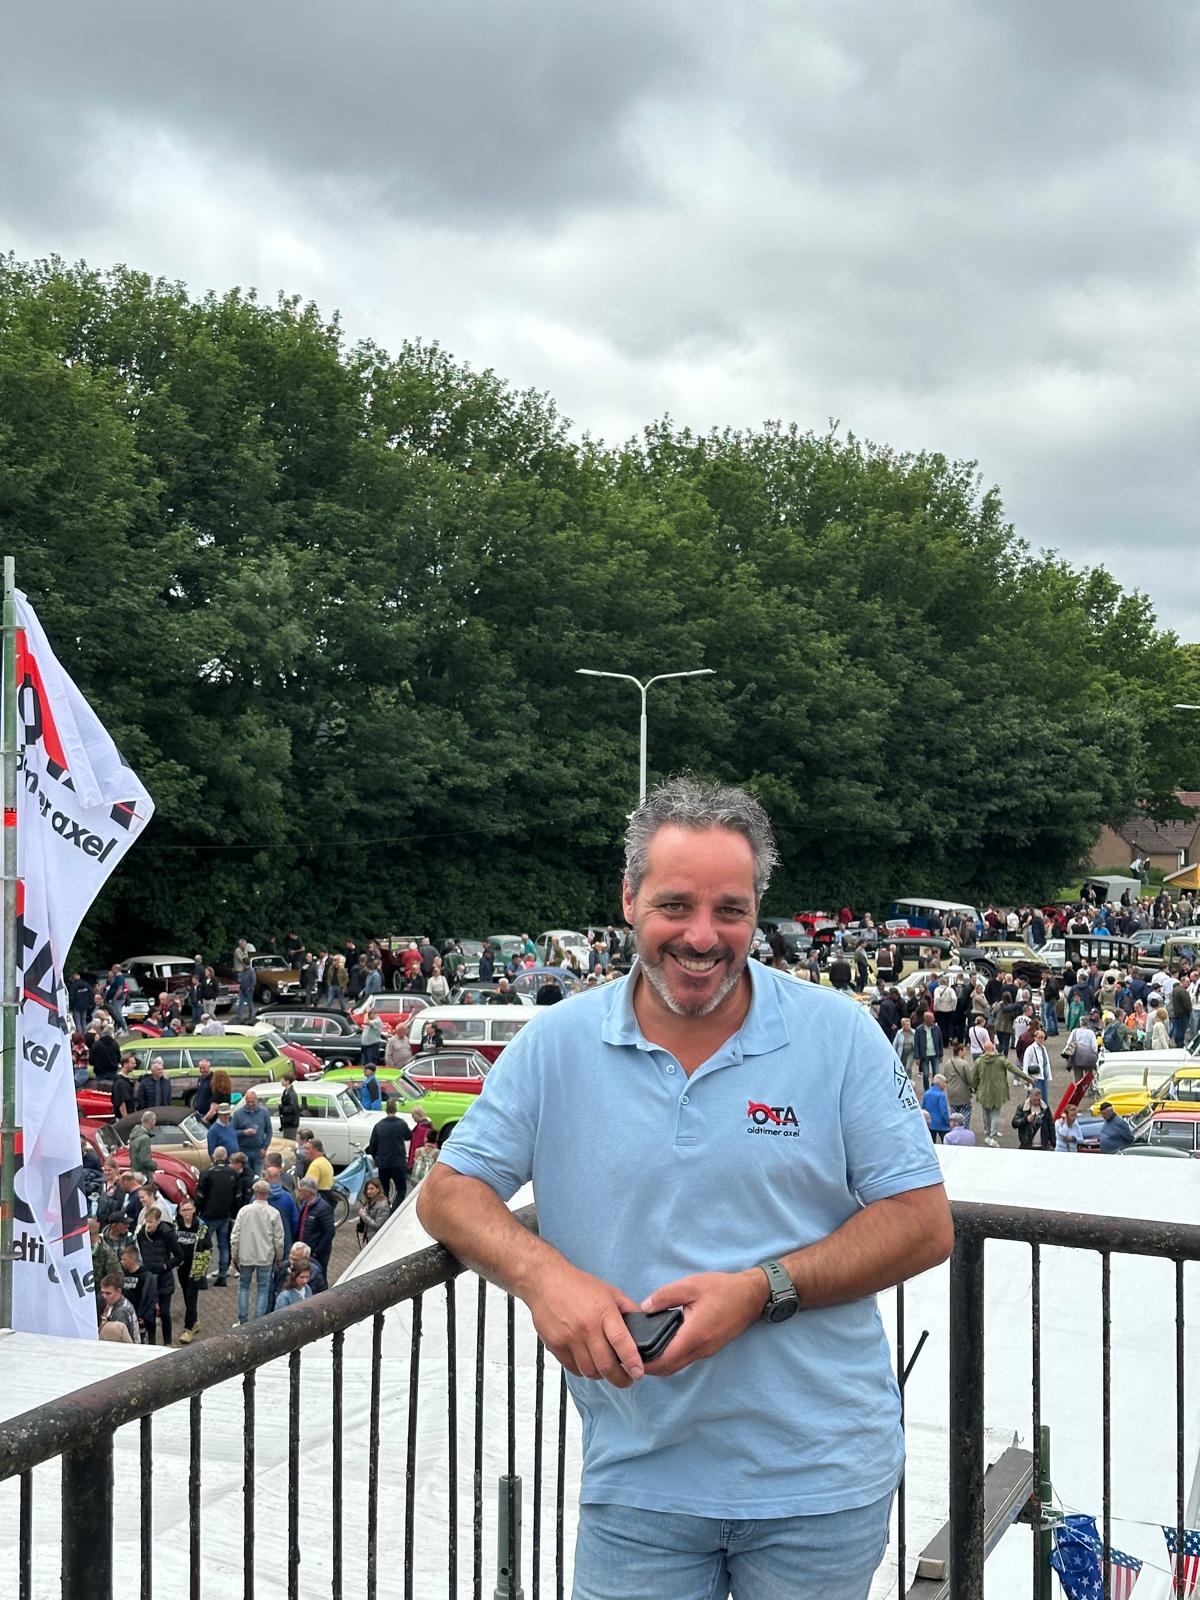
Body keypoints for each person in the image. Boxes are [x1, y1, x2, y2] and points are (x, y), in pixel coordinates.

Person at [418, 778, 952, 1600]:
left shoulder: (840, 1035)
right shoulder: (556, 1044)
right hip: (637, 1479)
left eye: (730, 911)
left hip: (821, 1483)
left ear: (757, 912)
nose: (702, 937)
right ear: (629, 900)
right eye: (675, 906)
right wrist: (544, 1278)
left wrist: (761, 1291)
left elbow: (923, 1223)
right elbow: (448, 1193)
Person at [230, 1179, 284, 1324]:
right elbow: (279, 1239)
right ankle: (257, 1322)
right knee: (263, 1289)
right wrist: (279, 1257)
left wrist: (234, 1255)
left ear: (254, 1192)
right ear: (268, 1193)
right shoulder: (274, 1213)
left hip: (246, 1255)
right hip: (265, 1257)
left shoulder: (244, 1211)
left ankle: (243, 1320)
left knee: (243, 1287)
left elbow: (235, 1236)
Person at [136, 1205, 183, 1345]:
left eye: (151, 1222)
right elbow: (140, 1252)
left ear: (158, 1221)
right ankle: (152, 1343)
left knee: (164, 1312)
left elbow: (180, 1255)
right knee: (150, 1314)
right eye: (146, 1221)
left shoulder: (167, 1233)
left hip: (164, 1279)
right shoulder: (141, 1235)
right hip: (149, 1280)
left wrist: (166, 1266)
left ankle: (167, 1342)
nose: (148, 1225)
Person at [196, 1147, 240, 1285]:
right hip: (225, 1215)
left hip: (208, 1215)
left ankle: (202, 1278)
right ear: (226, 1157)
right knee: (224, 1245)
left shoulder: (206, 1173)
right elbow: (236, 1195)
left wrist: (197, 1211)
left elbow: (200, 1195)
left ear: (213, 1157)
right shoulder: (233, 1173)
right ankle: (222, 1277)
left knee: (204, 1246)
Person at [173, 1195, 211, 1344]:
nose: (187, 1212)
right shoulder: (176, 1225)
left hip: (195, 1268)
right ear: (180, 1212)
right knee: (186, 1295)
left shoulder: (201, 1227)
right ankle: (194, 1321)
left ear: (194, 1209)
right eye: (184, 1210)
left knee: (191, 1296)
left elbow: (208, 1247)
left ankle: (188, 1329)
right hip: (181, 1267)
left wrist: (202, 1266)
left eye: (189, 1209)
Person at [975, 1046, 1030, 1147]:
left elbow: (974, 1077)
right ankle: (993, 1137)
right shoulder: (1001, 1060)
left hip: (983, 1091)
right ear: (993, 1049)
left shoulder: (979, 1061)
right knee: (996, 1114)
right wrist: (1027, 1078)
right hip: (998, 1092)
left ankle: (988, 1134)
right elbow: (1014, 1069)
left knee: (986, 1113)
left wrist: (975, 1088)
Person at [366, 1100, 412, 1208]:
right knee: (401, 1190)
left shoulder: (379, 1126)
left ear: (386, 1110)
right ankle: (393, 1210)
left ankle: (385, 1210)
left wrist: (376, 1158)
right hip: (398, 1162)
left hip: (384, 1163)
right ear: (395, 1109)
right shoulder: (401, 1124)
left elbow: (372, 1146)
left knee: (384, 1190)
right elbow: (409, 1136)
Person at [294, 1178, 335, 1276]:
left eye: (300, 1190)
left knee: (317, 1277)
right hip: (305, 1251)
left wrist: (316, 1252)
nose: (298, 1192)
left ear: (308, 1192)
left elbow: (329, 1232)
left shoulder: (323, 1208)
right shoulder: (305, 1205)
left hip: (316, 1255)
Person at [232, 1088, 272, 1178]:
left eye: (252, 1101)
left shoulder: (264, 1112)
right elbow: (232, 1132)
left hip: (258, 1151)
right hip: (243, 1151)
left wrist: (264, 1148)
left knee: (259, 1176)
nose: (250, 1104)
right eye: (248, 1102)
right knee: (246, 1176)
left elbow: (269, 1131)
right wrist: (244, 1132)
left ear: (256, 1100)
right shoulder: (238, 1114)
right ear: (245, 1100)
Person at [99, 1273, 142, 1344]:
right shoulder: (119, 1302)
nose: (104, 1296)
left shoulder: (120, 1312)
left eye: (108, 1293)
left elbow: (117, 1340)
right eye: (102, 1293)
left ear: (119, 1291)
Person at [943, 1045, 977, 1131]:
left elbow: (945, 1077)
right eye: (964, 1051)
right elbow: (970, 1079)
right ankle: (963, 1131)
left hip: (952, 1093)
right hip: (963, 1093)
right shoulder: (964, 1064)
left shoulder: (947, 1063)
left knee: (954, 1115)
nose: (965, 1053)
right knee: (965, 1114)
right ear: (960, 1051)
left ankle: (954, 1131)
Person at [913, 1011, 944, 1092]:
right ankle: (927, 1090)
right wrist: (917, 1057)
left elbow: (940, 1041)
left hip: (935, 1054)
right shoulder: (919, 1030)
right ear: (926, 1019)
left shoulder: (937, 1028)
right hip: (924, 1055)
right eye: (931, 1018)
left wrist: (941, 1054)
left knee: (936, 1073)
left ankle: (934, 1089)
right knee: (926, 1074)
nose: (933, 1020)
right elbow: (916, 1044)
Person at [356, 1178, 391, 1243]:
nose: (368, 1191)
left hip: (377, 1239)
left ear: (378, 1189)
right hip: (370, 1236)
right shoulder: (370, 1200)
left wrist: (363, 1215)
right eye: (367, 1189)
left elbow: (378, 1225)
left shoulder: (383, 1206)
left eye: (372, 1189)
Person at [127, 1112, 157, 1180]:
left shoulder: (134, 1134)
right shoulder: (145, 1139)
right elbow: (145, 1160)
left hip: (134, 1171)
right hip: (143, 1174)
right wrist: (155, 1165)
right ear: (152, 1121)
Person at [922, 1074, 950, 1143]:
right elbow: (944, 1112)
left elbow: (923, 1108)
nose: (945, 1085)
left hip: (930, 1124)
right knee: (946, 1142)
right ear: (940, 1084)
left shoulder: (926, 1093)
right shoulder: (941, 1095)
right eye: (944, 1083)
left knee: (931, 1143)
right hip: (942, 1124)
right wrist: (948, 1122)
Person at [277, 1072, 300, 1141]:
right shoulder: (286, 1092)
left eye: (282, 1080)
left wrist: (281, 1107)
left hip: (291, 1123)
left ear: (287, 1081)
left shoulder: (291, 1094)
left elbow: (292, 1108)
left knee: (289, 1141)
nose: (281, 1081)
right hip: (287, 1122)